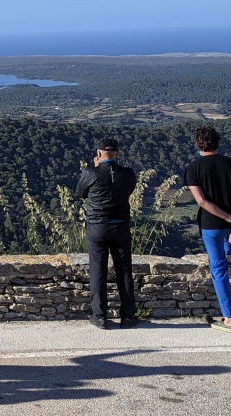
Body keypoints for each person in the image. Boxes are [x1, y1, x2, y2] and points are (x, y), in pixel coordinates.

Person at [183, 124, 231, 334]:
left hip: (211, 225)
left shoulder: (194, 168)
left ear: (198, 145)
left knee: (218, 270)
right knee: (227, 250)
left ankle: (229, 319)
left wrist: (228, 217)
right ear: (218, 143)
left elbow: (202, 201)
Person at [75, 137, 138, 329]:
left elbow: (81, 193)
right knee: (124, 271)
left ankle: (100, 316)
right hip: (120, 227)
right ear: (117, 153)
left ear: (98, 153)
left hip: (97, 227)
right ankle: (128, 316)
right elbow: (129, 190)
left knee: (98, 271)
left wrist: (94, 168)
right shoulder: (128, 174)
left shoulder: (90, 173)